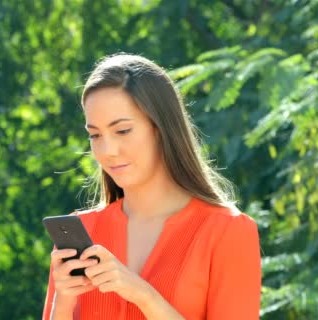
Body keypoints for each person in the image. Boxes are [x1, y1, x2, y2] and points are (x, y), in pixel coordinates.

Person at [42, 53, 261, 319]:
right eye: (95, 135)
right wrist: (62, 303)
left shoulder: (228, 231)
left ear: (161, 128)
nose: (107, 150)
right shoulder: (83, 231)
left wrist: (143, 294)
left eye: (122, 130)